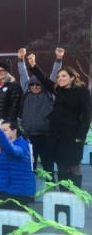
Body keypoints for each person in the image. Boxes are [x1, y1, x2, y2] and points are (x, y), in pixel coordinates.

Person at [28, 53, 92, 188]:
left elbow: (87, 115)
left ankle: (76, 196)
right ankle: (63, 194)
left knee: (73, 166)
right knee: (61, 165)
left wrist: (81, 137)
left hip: (73, 135)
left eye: (63, 76)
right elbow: (44, 79)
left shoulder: (82, 91)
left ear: (72, 77)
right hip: (56, 134)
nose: (59, 78)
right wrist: (33, 65)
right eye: (58, 76)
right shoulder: (58, 90)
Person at [17, 47, 63, 173]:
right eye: (32, 84)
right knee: (30, 164)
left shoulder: (49, 93)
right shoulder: (26, 92)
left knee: (47, 164)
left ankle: (50, 186)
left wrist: (58, 59)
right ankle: (29, 189)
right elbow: (23, 75)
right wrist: (20, 60)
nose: (35, 86)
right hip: (28, 134)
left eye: (38, 84)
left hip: (45, 135)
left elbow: (54, 76)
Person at [0, 119, 35, 209]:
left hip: (18, 193)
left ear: (14, 131)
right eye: (1, 130)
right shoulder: (2, 146)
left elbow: (12, 150)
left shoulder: (22, 145)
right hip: (6, 189)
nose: (2, 132)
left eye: (5, 130)